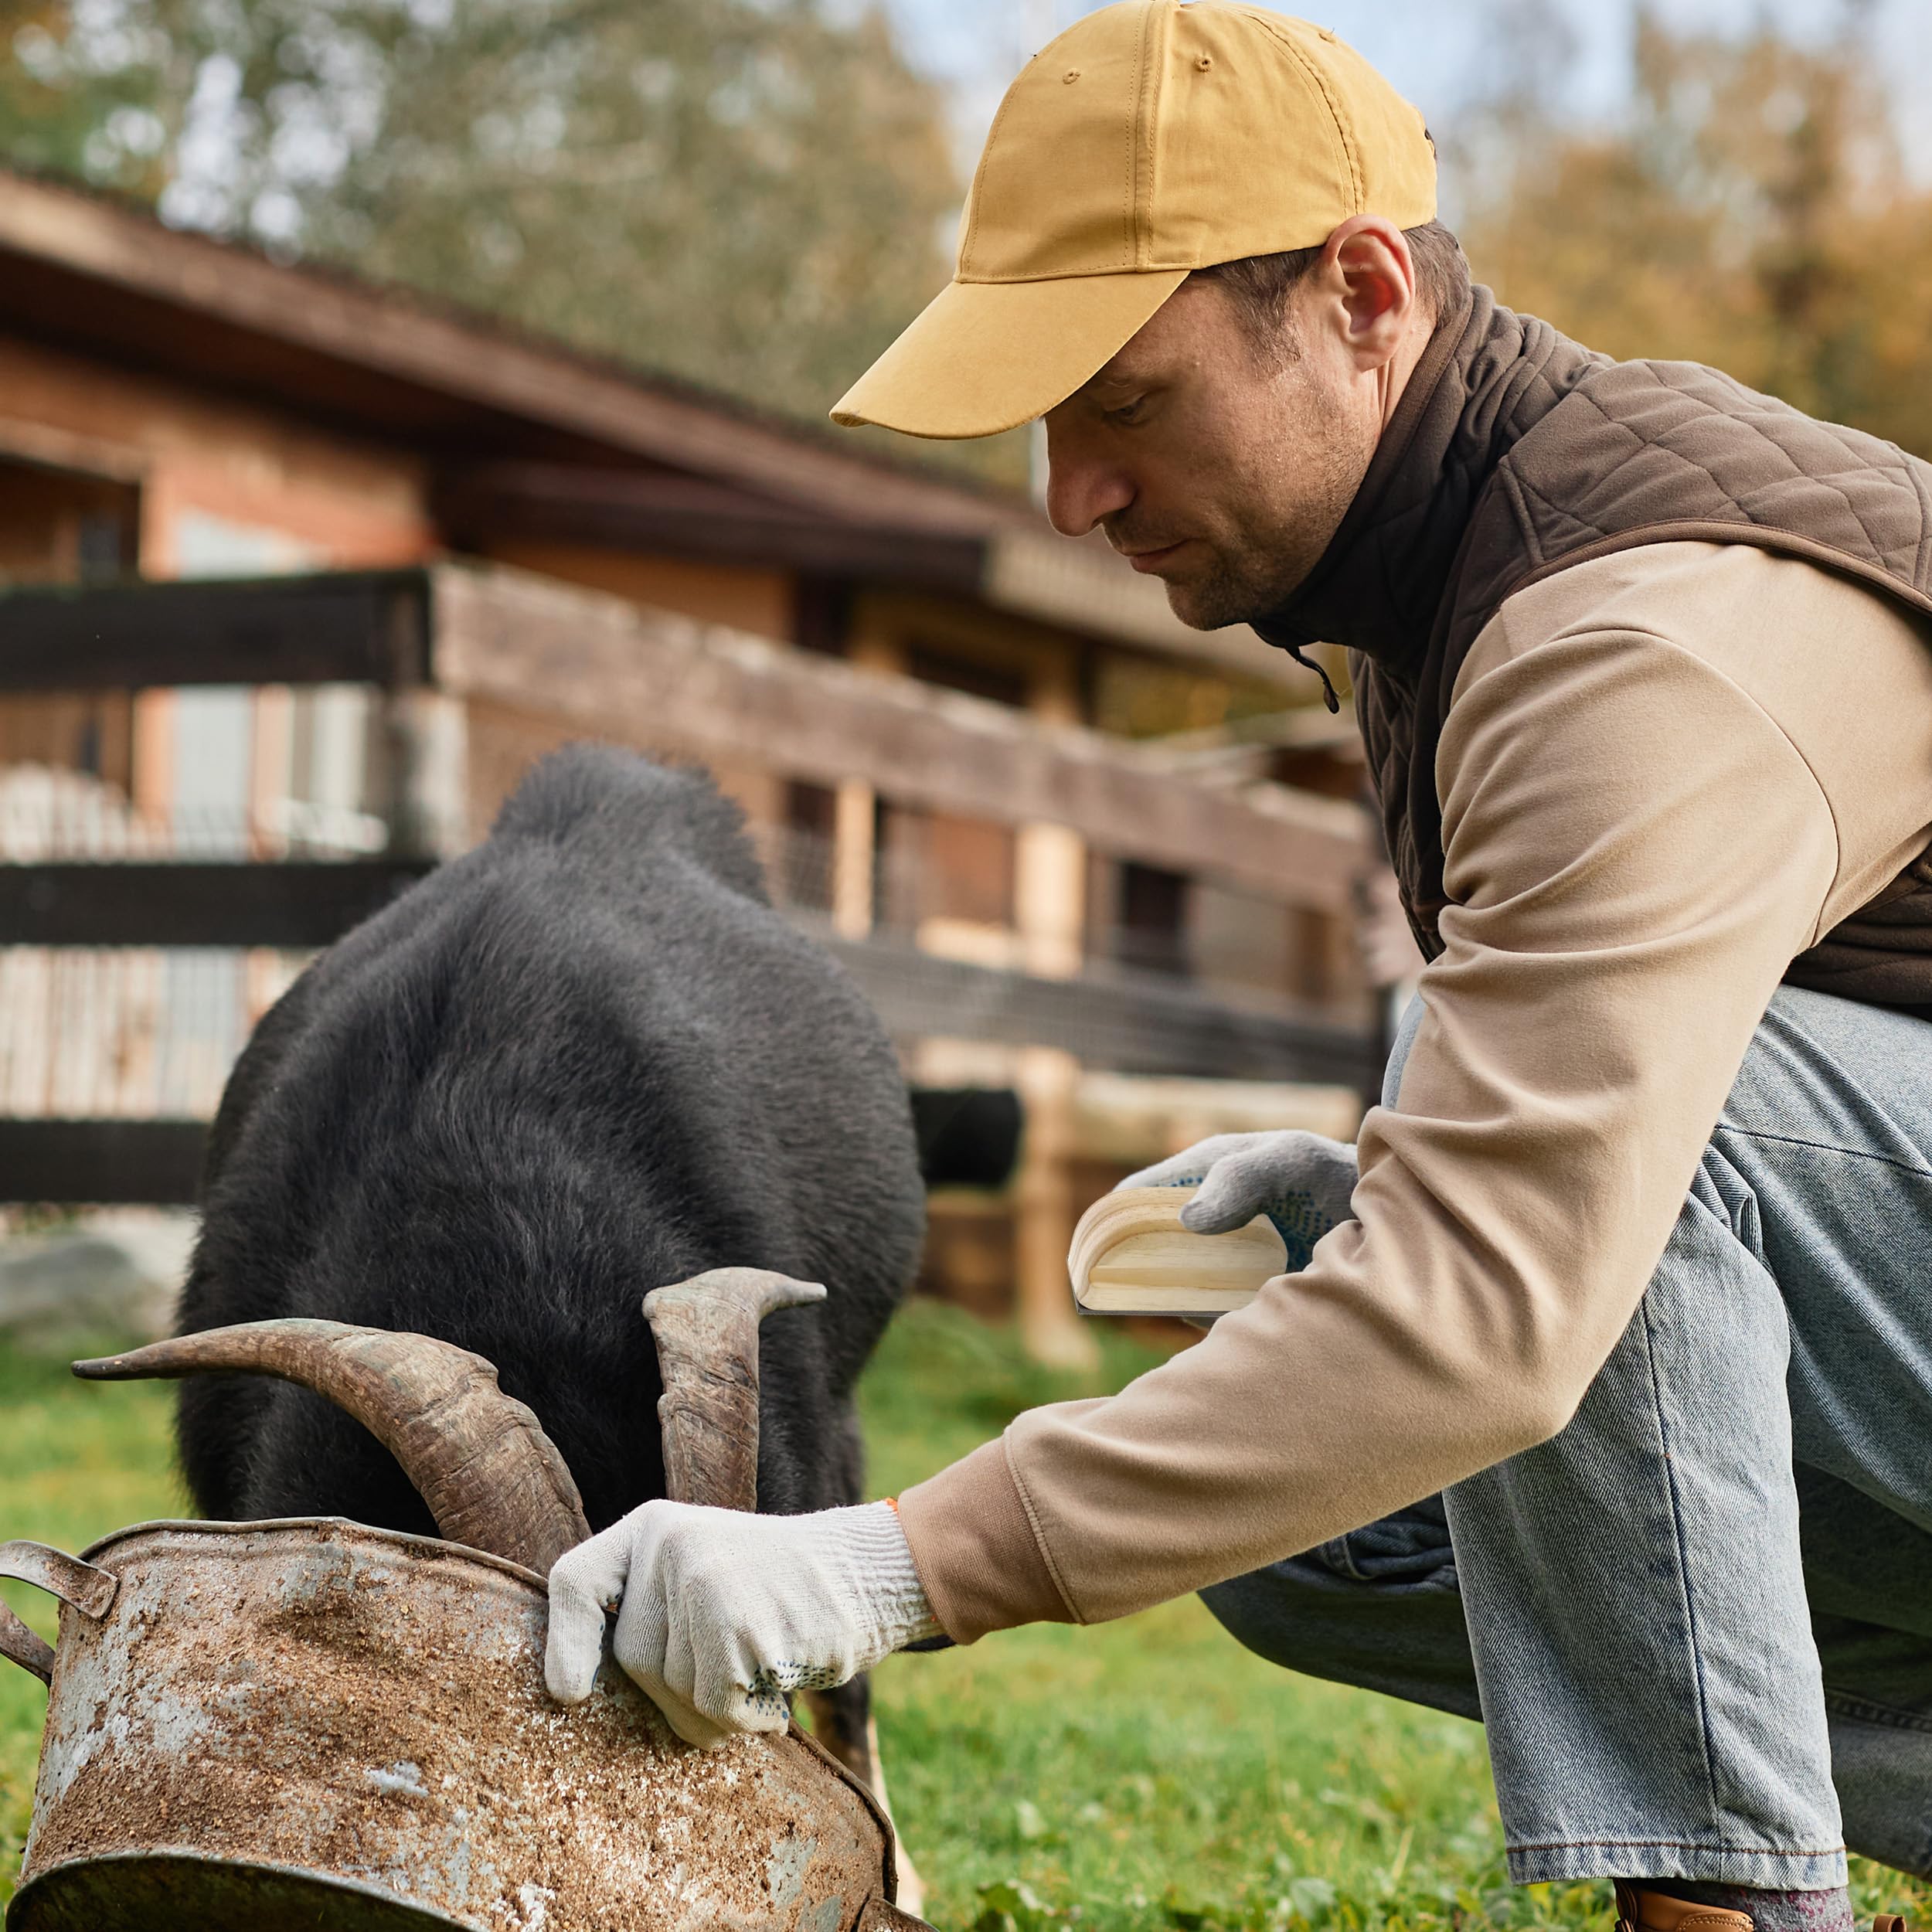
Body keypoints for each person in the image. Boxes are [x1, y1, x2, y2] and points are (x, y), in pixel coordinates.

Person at [546, 6, 1932, 1929]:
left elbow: (1513, 1285)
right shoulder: (1444, 567)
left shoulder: (1631, 631)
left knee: (1609, 1191)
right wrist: (1379, 1180)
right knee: (1320, 1540)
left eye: (1121, 400)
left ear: (1359, 295)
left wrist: (875, 1563)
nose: (1068, 498)